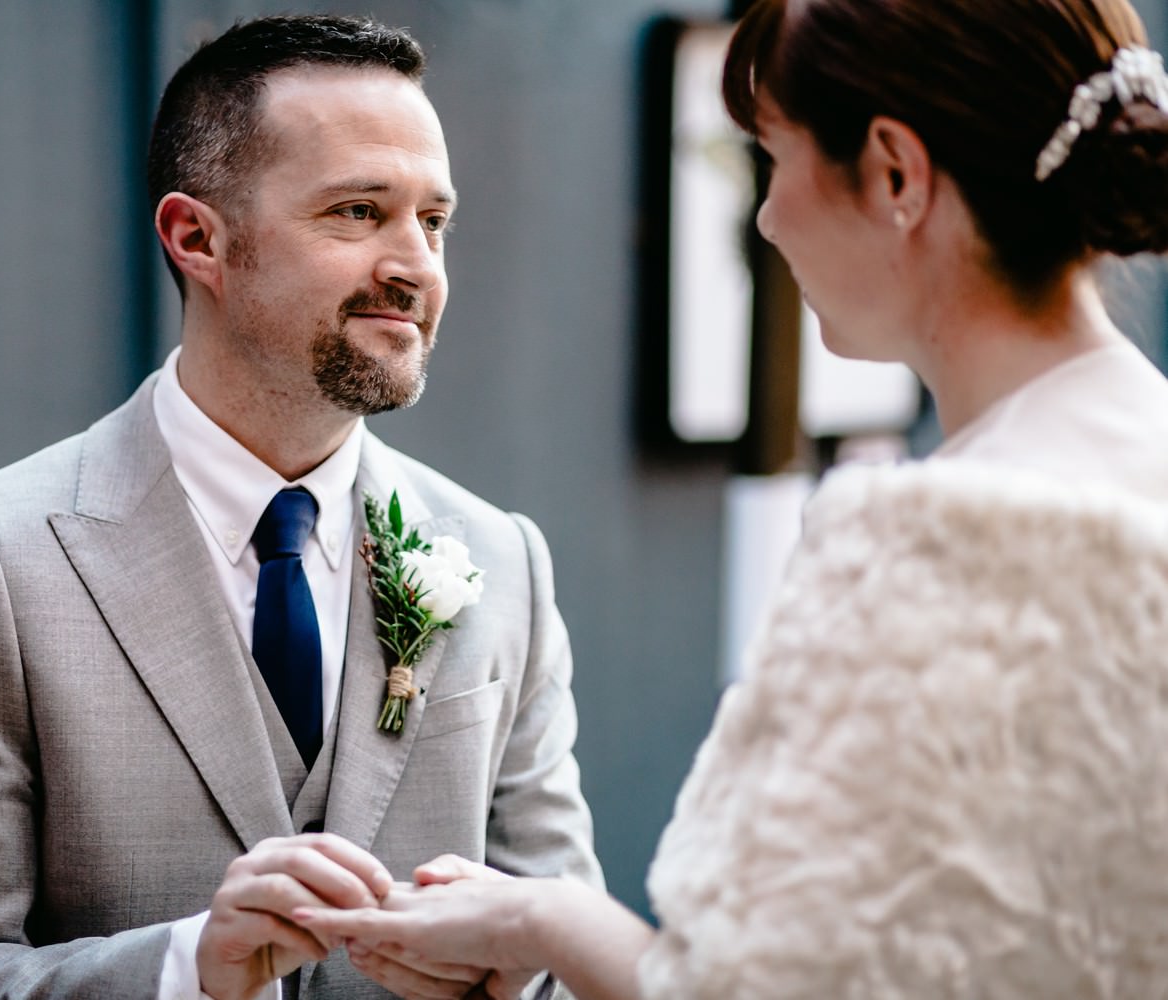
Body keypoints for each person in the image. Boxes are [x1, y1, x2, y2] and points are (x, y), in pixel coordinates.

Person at [296, 0, 1168, 996]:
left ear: (894, 173)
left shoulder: (937, 547)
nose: (766, 216)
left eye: (774, 159)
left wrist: (542, 914)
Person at [0, 14, 601, 1000]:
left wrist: (518, 978)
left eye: (434, 219)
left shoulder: (502, 558)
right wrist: (183, 970)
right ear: (196, 237)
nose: (416, 266)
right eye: (357, 211)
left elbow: (567, 950)